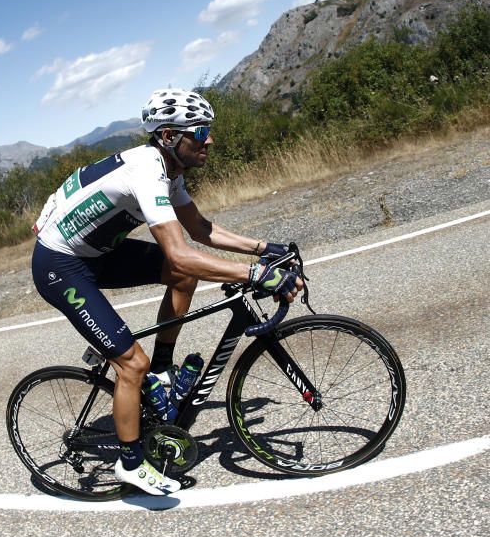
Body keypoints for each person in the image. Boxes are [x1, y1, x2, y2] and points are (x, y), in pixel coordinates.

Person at [30, 88, 303, 496]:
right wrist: (257, 275)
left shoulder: (169, 171)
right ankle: (130, 464)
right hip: (61, 265)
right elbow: (181, 253)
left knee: (182, 279)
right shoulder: (147, 172)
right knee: (130, 365)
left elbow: (200, 230)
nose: (209, 139)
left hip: (99, 253)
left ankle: (163, 369)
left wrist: (265, 249)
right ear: (171, 136)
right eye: (201, 131)